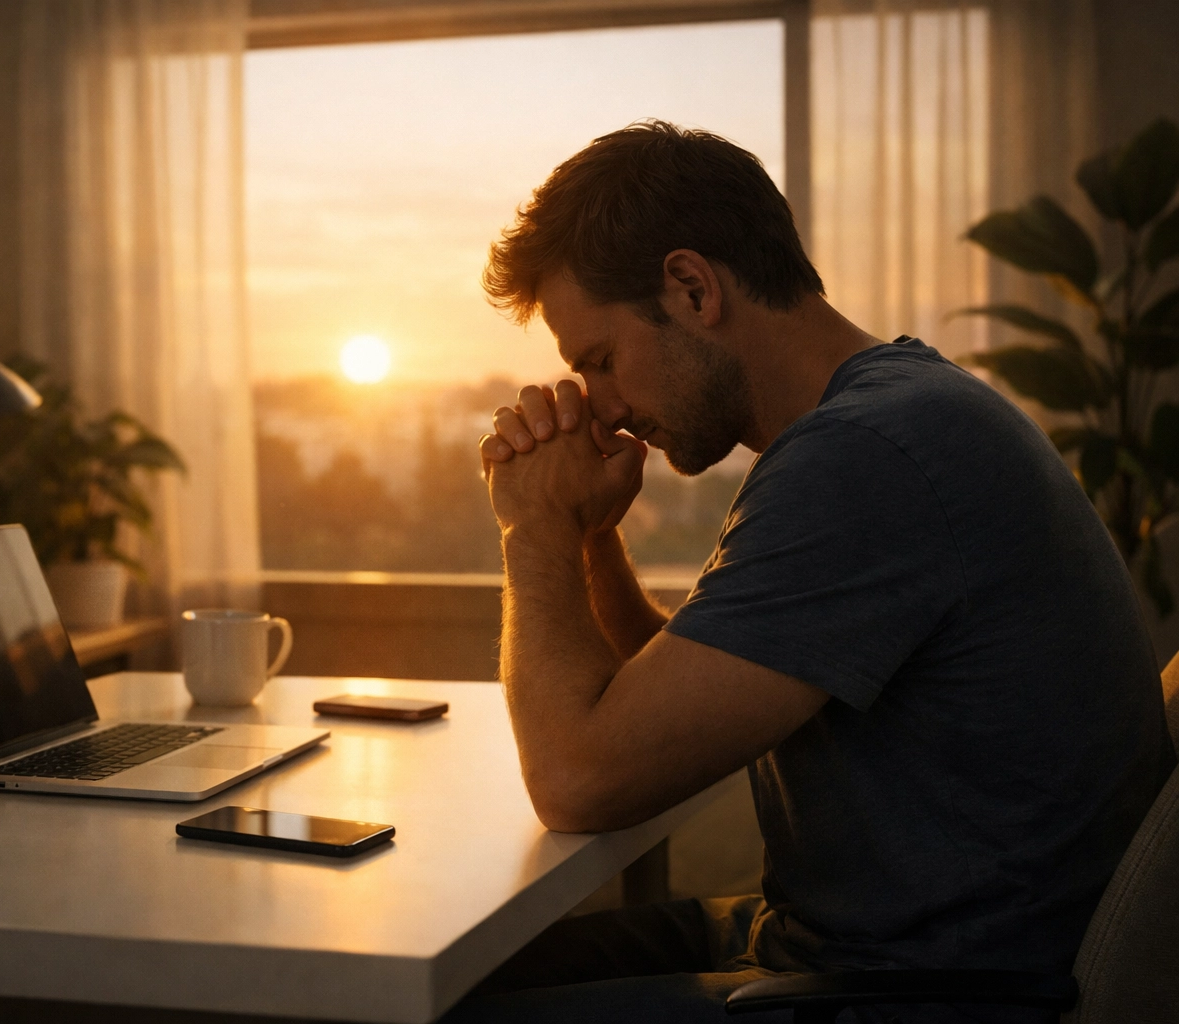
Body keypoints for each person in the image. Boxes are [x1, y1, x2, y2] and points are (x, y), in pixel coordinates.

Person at [448, 121, 1177, 1023]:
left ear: (691, 287)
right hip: (851, 948)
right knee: (451, 981)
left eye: (600, 360)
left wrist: (534, 526)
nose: (603, 405)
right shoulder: (898, 413)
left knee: (433, 1011)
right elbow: (665, 706)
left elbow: (579, 782)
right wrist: (591, 537)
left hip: (924, 994)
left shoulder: (865, 456)